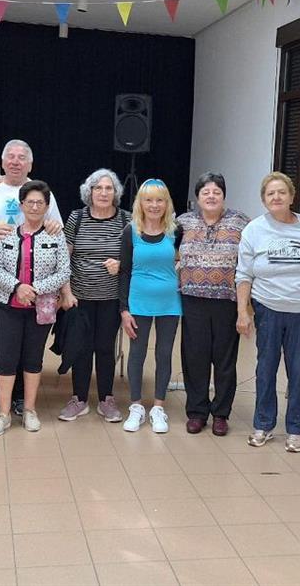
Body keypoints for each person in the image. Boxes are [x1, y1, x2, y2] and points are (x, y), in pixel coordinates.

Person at [0, 140, 63, 420]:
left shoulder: (42, 192)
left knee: (25, 344)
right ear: (2, 160)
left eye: (22, 157)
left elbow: (55, 228)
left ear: (30, 164)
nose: (16, 161)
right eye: (11, 156)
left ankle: (21, 399)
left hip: (32, 287)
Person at [236, 172, 300, 454]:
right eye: (270, 194)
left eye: (281, 192)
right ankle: (263, 424)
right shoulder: (254, 229)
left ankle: (296, 430)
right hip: (268, 307)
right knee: (265, 367)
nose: (276, 198)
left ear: (291, 196)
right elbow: (244, 274)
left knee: (299, 370)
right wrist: (243, 311)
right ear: (264, 200)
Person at [0, 180, 71, 437]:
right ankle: (3, 414)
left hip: (40, 308)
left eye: (40, 203)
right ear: (21, 205)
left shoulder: (56, 235)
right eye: (30, 202)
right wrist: (16, 287)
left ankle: (30, 410)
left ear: (46, 207)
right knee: (5, 358)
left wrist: (34, 288)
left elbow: (64, 271)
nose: (34, 206)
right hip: (9, 306)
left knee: (33, 359)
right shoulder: (9, 235)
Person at [176, 172, 250, 437]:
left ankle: (220, 413)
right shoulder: (182, 222)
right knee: (194, 357)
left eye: (216, 191)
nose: (211, 196)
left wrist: (245, 308)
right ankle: (196, 412)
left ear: (223, 196)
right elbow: (169, 251)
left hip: (227, 301)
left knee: (224, 359)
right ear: (197, 197)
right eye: (205, 192)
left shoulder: (240, 221)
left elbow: (250, 259)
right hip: (192, 300)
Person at [58, 168, 130, 423]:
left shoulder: (126, 220)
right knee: (81, 348)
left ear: (116, 193)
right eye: (98, 188)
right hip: (79, 297)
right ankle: (79, 399)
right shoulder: (76, 218)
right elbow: (62, 257)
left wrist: (121, 263)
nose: (103, 192)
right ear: (89, 192)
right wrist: (65, 292)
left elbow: (135, 259)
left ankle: (106, 399)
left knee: (105, 347)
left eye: (108, 188)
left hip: (111, 298)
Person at [119, 179, 182, 434]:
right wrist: (124, 309)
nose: (154, 205)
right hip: (138, 303)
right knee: (137, 353)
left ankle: (158, 407)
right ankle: (136, 407)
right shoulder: (130, 230)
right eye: (149, 200)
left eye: (159, 200)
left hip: (169, 303)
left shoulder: (176, 231)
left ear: (166, 203)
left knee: (164, 353)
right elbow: (123, 272)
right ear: (140, 203)